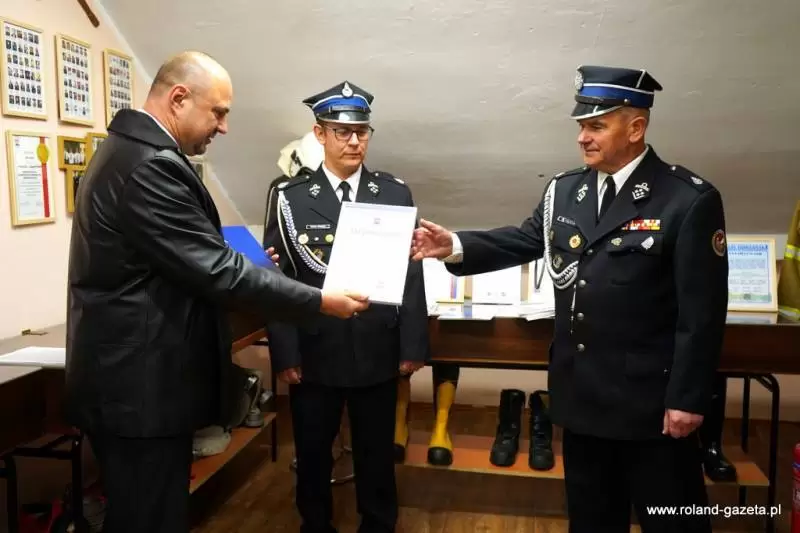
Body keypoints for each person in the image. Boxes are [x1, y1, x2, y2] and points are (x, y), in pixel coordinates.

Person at [411, 65, 729, 533]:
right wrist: (455, 245)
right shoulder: (565, 190)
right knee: (592, 520)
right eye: (581, 125)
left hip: (651, 407)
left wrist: (687, 399)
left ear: (636, 128)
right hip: (582, 398)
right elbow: (525, 239)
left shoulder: (686, 200)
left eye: (596, 125)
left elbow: (702, 315)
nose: (582, 137)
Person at [64, 51, 368, 533]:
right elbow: (218, 271)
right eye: (218, 113)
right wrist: (318, 300)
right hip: (140, 394)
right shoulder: (149, 166)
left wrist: (247, 267)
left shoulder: (128, 152)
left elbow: (184, 258)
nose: (223, 127)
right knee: (150, 519)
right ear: (179, 99)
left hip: (130, 386)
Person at [264, 80, 429, 533]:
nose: (354, 141)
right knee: (313, 453)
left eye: (362, 131)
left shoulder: (393, 192)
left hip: (377, 347)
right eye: (342, 132)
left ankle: (378, 524)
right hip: (316, 349)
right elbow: (276, 278)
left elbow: (411, 272)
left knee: (377, 454)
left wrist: (412, 344)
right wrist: (285, 352)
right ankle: (315, 525)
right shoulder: (290, 196)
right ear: (320, 134)